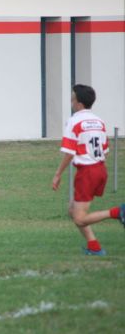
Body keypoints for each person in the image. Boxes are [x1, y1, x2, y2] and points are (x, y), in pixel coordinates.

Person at [52, 84, 125, 256]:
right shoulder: (99, 121)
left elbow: (69, 153)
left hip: (87, 172)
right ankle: (94, 247)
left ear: (79, 103)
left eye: (72, 98)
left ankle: (117, 212)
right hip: (100, 169)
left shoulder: (74, 121)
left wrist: (57, 175)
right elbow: (105, 150)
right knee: (73, 210)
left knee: (79, 217)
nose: (71, 101)